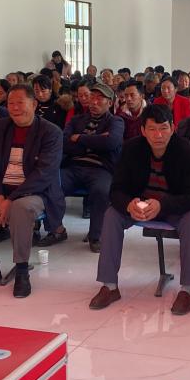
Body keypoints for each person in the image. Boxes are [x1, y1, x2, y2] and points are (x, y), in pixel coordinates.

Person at [89, 105, 190, 314]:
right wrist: (128, 204)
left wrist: (163, 205)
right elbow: (116, 189)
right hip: (140, 206)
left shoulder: (187, 152)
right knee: (112, 214)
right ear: (143, 130)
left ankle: (187, 290)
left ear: (173, 128)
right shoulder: (131, 149)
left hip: (174, 207)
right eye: (152, 129)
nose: (158, 135)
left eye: (163, 128)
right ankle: (109, 286)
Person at [0, 84, 64, 297]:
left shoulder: (51, 132)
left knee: (20, 207)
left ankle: (22, 270)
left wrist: (10, 200)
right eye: (10, 103)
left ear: (34, 104)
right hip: (1, 191)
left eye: (20, 103)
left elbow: (43, 174)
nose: (15, 108)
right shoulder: (0, 127)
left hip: (36, 193)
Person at [43, 82, 124, 253]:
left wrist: (79, 138)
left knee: (102, 191)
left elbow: (111, 142)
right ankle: (57, 229)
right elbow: (64, 143)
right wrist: (96, 141)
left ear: (110, 102)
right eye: (92, 97)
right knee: (51, 183)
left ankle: (96, 236)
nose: (94, 102)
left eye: (99, 98)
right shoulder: (76, 120)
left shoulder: (116, 121)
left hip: (101, 168)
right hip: (73, 166)